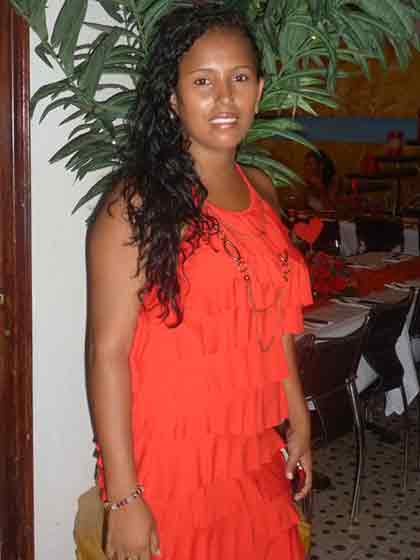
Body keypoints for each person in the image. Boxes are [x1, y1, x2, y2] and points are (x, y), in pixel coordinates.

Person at [86, 5, 313, 560]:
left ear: (259, 91)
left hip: (252, 449)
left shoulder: (262, 188)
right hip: (171, 461)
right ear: (173, 97)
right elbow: (106, 353)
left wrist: (299, 418)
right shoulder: (134, 205)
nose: (224, 98)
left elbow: (275, 323)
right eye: (202, 82)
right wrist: (124, 497)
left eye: (238, 79)